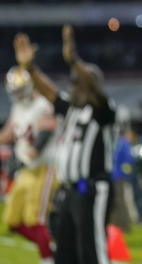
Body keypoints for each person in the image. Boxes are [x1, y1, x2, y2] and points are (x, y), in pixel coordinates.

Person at [17, 24, 116, 264]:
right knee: (66, 254)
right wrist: (29, 68)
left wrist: (73, 60)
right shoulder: (72, 110)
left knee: (92, 251)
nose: (72, 87)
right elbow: (49, 91)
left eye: (77, 83)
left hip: (93, 188)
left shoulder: (103, 112)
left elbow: (93, 87)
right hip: (71, 190)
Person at [1, 38, 57, 264]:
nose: (17, 94)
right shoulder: (18, 107)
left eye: (21, 89)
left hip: (43, 168)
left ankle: (48, 259)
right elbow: (8, 133)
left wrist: (35, 148)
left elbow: (47, 130)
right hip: (26, 170)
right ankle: (51, 245)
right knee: (12, 219)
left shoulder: (42, 104)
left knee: (36, 219)